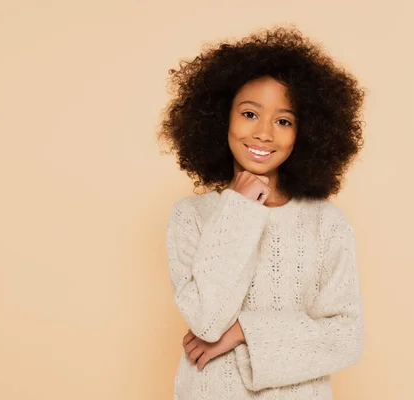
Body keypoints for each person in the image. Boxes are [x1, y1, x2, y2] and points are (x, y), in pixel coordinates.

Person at [157, 25, 366, 400]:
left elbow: (346, 337)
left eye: (284, 120)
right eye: (250, 113)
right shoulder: (190, 216)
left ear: (306, 133)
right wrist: (238, 208)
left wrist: (243, 331)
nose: (265, 133)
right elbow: (206, 321)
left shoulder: (326, 223)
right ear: (223, 117)